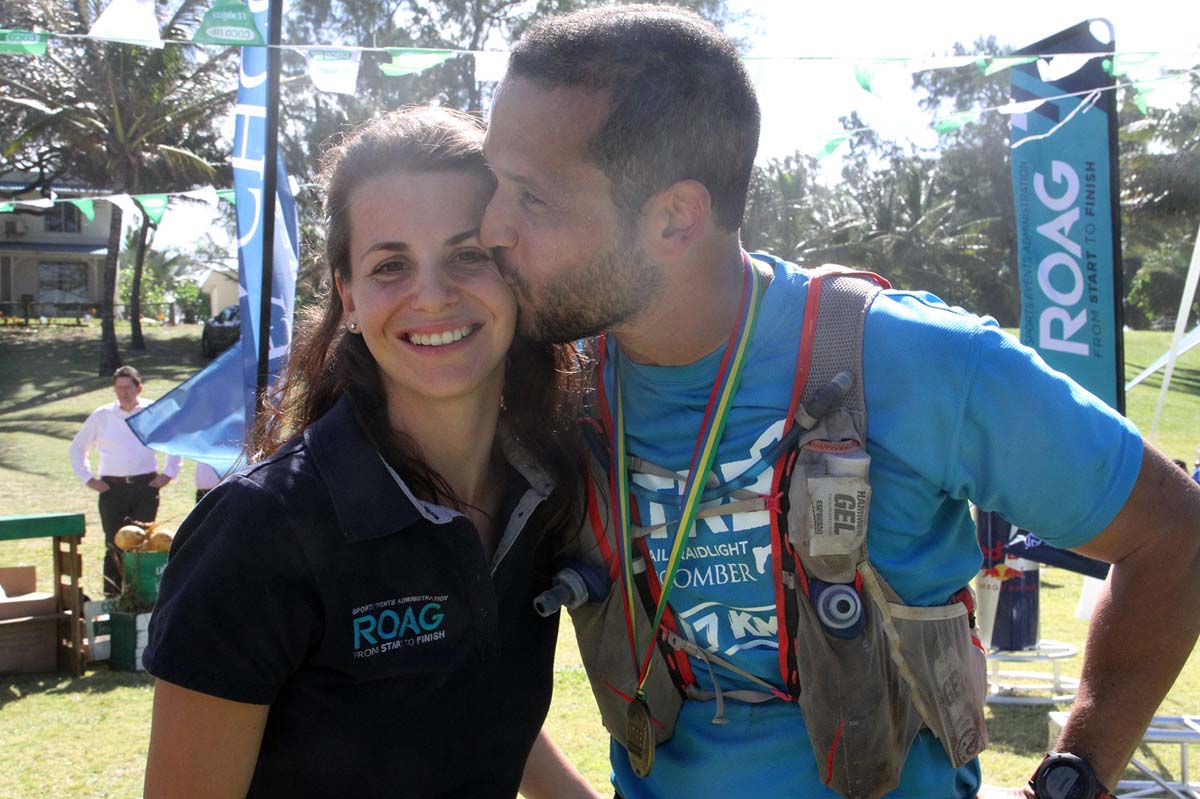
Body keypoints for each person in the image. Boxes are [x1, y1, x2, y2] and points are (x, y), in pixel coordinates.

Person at [480, 6, 1200, 799]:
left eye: (532, 199)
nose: (490, 227)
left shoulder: (912, 359)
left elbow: (1174, 534)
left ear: (675, 218)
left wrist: (1074, 779)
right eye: (494, 184)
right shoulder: (545, 390)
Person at [142, 107, 601, 799]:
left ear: (515, 271)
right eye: (391, 265)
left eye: (468, 254)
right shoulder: (256, 530)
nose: (433, 296)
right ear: (348, 297)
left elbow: (460, 688)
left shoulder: (541, 491)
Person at [69, 365, 181, 597]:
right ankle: (113, 597)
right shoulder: (103, 416)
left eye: (128, 387)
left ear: (138, 388)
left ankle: (142, 596)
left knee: (145, 543)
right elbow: (77, 448)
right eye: (119, 388)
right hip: (112, 489)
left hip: (145, 487)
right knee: (114, 543)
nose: (123, 392)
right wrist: (89, 479)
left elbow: (173, 440)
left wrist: (168, 474)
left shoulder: (152, 411)